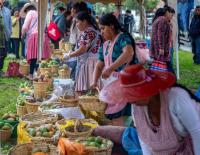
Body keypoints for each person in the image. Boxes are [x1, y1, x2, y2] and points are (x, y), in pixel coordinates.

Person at [100, 64, 200, 154]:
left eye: (134, 94)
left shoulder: (177, 97)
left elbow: (197, 132)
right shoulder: (137, 107)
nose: (130, 101)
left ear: (148, 89)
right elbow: (144, 139)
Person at [91, 13, 137, 124]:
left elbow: (129, 52)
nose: (101, 32)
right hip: (111, 86)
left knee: (120, 119)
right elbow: (99, 65)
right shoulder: (105, 45)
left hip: (125, 84)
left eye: (103, 28)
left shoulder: (123, 38)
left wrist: (110, 69)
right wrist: (94, 81)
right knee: (111, 119)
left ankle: (122, 137)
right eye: (100, 29)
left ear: (111, 26)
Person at [64, 12, 102, 95]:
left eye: (77, 22)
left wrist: (69, 55)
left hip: (88, 63)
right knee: (95, 91)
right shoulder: (96, 30)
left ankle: (83, 107)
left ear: (84, 21)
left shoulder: (87, 32)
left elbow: (82, 49)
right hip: (97, 62)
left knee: (81, 91)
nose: (76, 25)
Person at [21, 3, 50, 78]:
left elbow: (25, 27)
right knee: (40, 56)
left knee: (33, 56)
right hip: (43, 35)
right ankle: (39, 74)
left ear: (27, 9)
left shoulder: (30, 13)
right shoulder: (40, 13)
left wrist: (22, 34)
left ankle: (31, 74)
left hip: (33, 36)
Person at [67, 1, 88, 80]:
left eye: (72, 10)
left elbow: (82, 44)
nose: (71, 12)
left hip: (81, 53)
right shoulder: (76, 21)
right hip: (77, 50)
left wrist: (70, 55)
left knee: (76, 75)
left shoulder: (82, 24)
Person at [150, 6, 175, 73]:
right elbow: (160, 34)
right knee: (167, 66)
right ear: (167, 12)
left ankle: (170, 80)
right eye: (171, 15)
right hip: (161, 49)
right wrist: (161, 48)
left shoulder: (158, 19)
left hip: (157, 48)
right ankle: (172, 81)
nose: (172, 17)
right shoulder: (163, 20)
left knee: (161, 66)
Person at [0, 0, 12, 76]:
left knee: (4, 54)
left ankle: (0, 69)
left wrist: (10, 32)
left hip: (5, 35)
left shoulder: (7, 11)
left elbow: (10, 22)